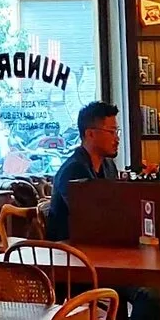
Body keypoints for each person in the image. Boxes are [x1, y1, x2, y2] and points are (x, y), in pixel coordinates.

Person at [47, 100, 120, 242]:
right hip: (68, 249)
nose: (117, 139)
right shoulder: (73, 170)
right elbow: (90, 219)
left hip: (98, 244)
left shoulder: (109, 166)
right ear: (90, 134)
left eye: (117, 132)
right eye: (111, 132)